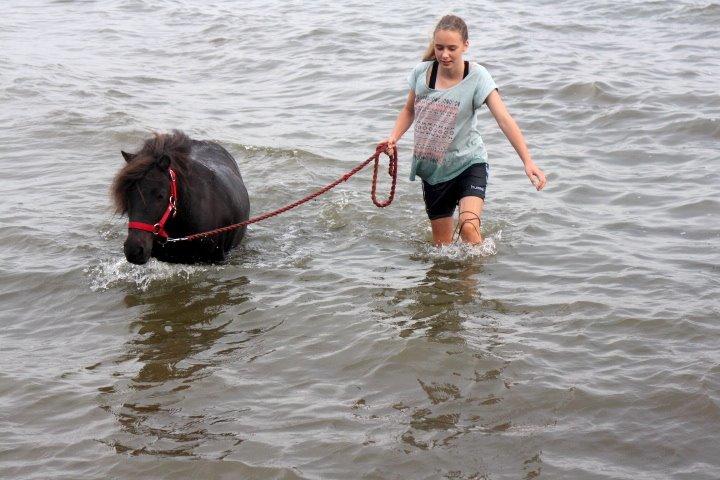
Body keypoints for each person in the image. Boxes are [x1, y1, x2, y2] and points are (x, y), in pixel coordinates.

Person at [381, 14, 547, 246]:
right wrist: (393, 138)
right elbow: (409, 110)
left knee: (469, 227)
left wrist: (528, 161)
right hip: (433, 170)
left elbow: (504, 119)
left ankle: (474, 281)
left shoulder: (478, 77)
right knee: (442, 249)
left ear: (466, 46)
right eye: (439, 48)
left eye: (452, 48)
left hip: (469, 163)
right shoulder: (422, 72)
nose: (445, 54)